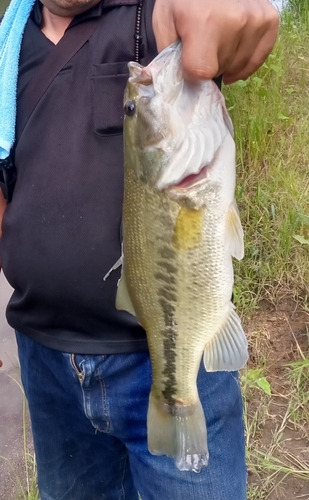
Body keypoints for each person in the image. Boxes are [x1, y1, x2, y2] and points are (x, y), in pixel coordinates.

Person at [0, 0, 279, 498]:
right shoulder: (10, 41)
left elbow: (220, 14)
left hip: (163, 358)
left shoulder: (151, 15)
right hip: (45, 366)